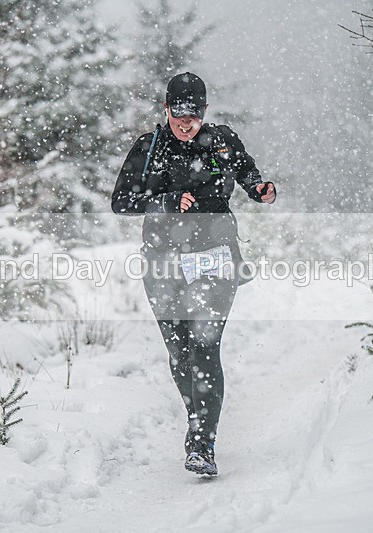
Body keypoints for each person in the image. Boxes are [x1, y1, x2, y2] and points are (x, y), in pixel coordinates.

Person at [111, 72, 276, 476]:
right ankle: (196, 419)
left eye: (195, 115)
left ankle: (202, 443)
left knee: (204, 345)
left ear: (204, 111)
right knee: (180, 352)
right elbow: (120, 202)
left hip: (214, 255)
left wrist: (259, 189)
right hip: (163, 260)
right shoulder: (148, 148)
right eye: (179, 115)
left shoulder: (222, 140)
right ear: (166, 110)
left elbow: (246, 171)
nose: (187, 124)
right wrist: (165, 201)